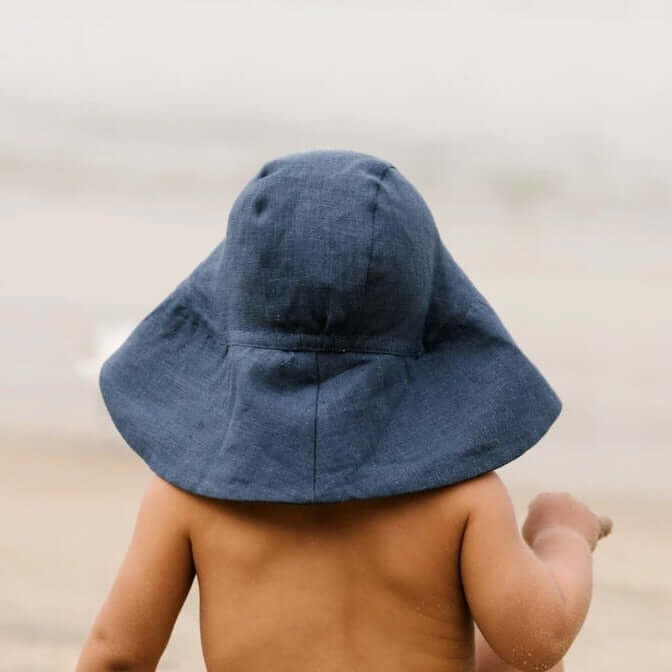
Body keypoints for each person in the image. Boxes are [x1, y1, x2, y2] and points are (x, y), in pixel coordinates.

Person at [75, 149, 613, 671]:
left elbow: (118, 655)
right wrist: (561, 535)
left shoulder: (186, 494)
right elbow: (536, 642)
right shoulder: (464, 497)